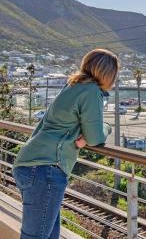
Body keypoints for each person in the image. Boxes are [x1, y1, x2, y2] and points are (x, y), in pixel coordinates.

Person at [12, 49, 119, 239]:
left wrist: (83, 133)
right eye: (115, 75)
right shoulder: (92, 90)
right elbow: (95, 138)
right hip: (47, 168)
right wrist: (107, 127)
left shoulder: (73, 85)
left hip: (31, 164)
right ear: (108, 73)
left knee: (49, 235)